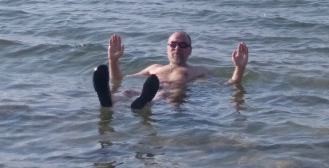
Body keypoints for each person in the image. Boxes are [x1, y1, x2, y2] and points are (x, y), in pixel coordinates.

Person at [93, 31, 249, 109]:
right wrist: (113, 61)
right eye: (173, 44)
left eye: (183, 45)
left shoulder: (198, 70)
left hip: (172, 97)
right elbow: (119, 79)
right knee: (127, 91)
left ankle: (144, 102)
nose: (177, 48)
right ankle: (108, 99)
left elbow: (227, 84)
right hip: (147, 91)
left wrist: (239, 68)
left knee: (162, 94)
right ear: (167, 48)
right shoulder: (154, 68)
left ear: (190, 50)